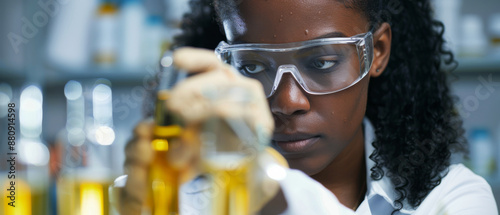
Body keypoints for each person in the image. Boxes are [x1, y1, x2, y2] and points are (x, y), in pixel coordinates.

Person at [119, 0, 498, 214]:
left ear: (377, 51)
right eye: (252, 66)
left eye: (321, 63)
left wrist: (265, 186)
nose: (287, 102)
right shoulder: (185, 194)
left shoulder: (451, 200)